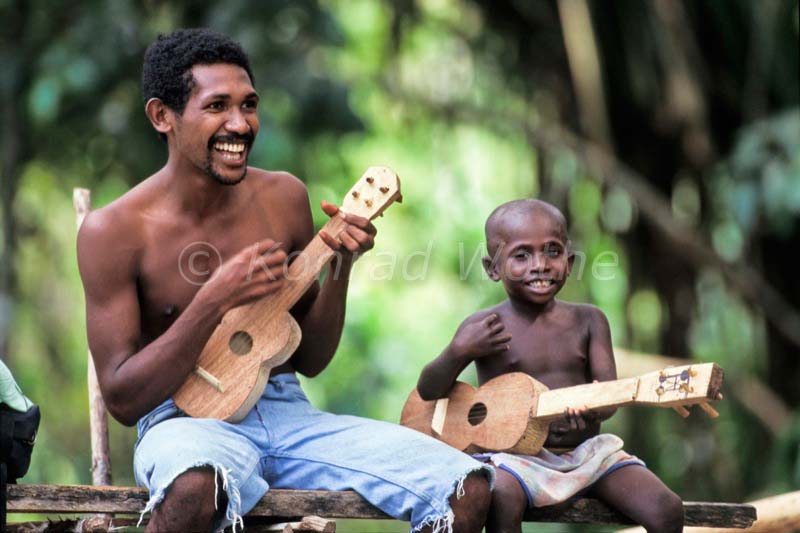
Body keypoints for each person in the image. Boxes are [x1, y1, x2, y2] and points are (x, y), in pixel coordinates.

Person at [77, 28, 492, 532]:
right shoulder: (114, 230)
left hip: (290, 416)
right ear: (162, 116)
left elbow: (311, 359)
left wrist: (341, 267)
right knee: (194, 484)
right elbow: (122, 399)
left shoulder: (283, 198)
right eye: (217, 107)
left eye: (249, 105)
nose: (240, 124)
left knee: (465, 486)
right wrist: (214, 298)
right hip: (182, 423)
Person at [415, 199, 684, 533]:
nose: (540, 264)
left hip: (587, 455)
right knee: (500, 496)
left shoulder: (589, 320)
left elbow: (611, 396)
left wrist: (595, 409)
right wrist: (459, 350)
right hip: (515, 460)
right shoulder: (485, 326)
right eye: (521, 255)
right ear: (492, 267)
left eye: (552, 252)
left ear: (569, 262)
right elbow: (429, 390)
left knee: (667, 509)